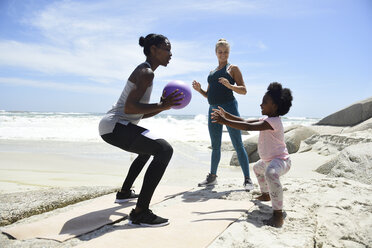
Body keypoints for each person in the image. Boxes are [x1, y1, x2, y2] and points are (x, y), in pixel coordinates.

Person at [99, 34, 183, 227]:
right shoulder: (146, 72)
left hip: (115, 125)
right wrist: (160, 104)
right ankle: (140, 212)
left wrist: (162, 106)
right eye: (167, 48)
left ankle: (125, 193)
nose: (171, 53)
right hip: (115, 125)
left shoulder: (145, 71)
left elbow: (137, 114)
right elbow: (130, 109)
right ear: (153, 49)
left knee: (148, 150)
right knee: (164, 150)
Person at [211, 82, 293, 228]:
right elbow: (244, 121)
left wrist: (224, 121)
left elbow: (247, 127)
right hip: (269, 160)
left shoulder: (273, 122)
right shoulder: (267, 119)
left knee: (271, 174)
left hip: (281, 160)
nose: (260, 104)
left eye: (264, 102)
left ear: (274, 106)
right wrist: (227, 114)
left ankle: (278, 215)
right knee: (257, 168)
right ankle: (266, 194)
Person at [192, 38, 253, 190]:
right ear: (216, 53)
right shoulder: (212, 72)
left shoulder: (233, 68)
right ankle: (212, 177)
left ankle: (247, 179)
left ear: (229, 53)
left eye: (226, 52)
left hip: (229, 108)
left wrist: (230, 85)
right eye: (220, 52)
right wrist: (199, 90)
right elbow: (209, 95)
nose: (223, 54)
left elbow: (244, 90)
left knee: (237, 144)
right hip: (212, 109)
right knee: (215, 145)